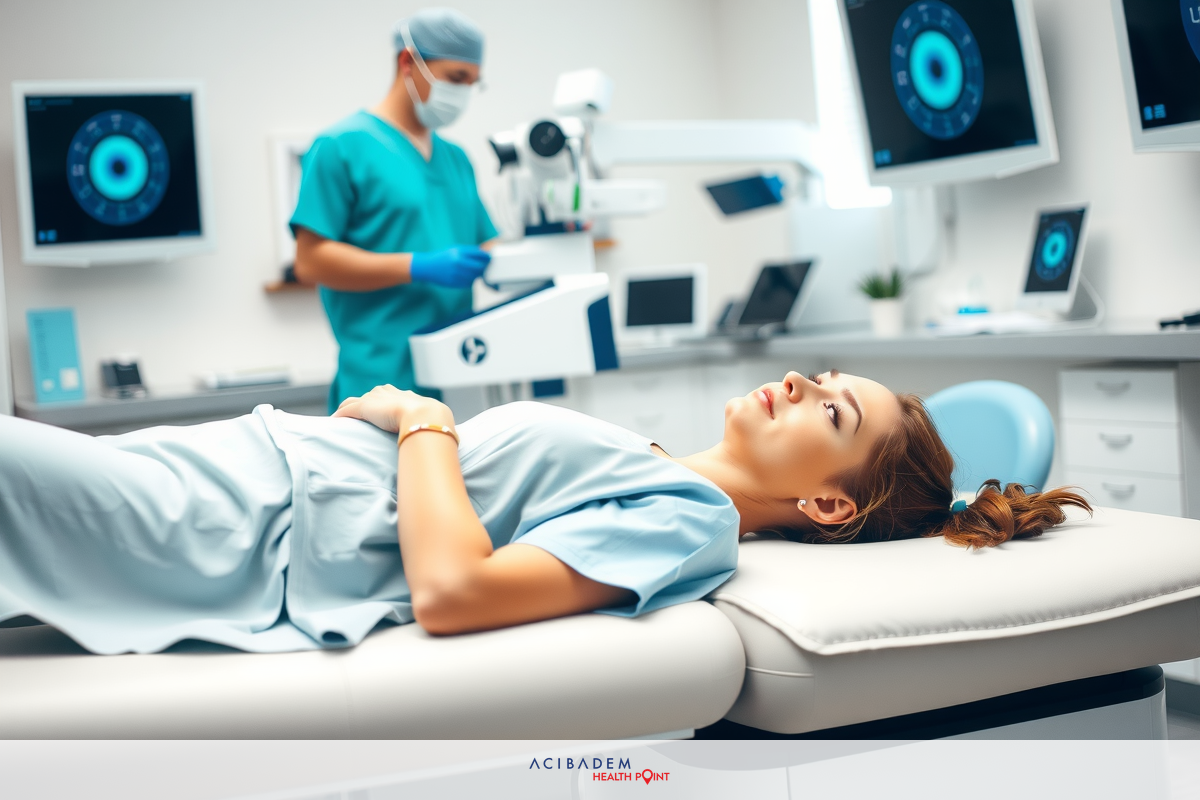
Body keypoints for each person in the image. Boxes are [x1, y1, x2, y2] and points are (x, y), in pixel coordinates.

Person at [0, 371, 1090, 654]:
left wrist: (423, 420)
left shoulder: (692, 519)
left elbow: (454, 590)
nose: (800, 382)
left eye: (832, 407)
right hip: (238, 469)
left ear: (827, 500)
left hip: (236, 522)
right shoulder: (660, 457)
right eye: (818, 375)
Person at [290, 8, 498, 413]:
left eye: (473, 83)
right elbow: (310, 261)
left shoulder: (456, 158)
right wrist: (415, 266)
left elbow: (490, 247)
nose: (464, 93)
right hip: (379, 387)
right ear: (408, 62)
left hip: (460, 373)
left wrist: (559, 235)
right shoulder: (341, 146)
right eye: (456, 78)